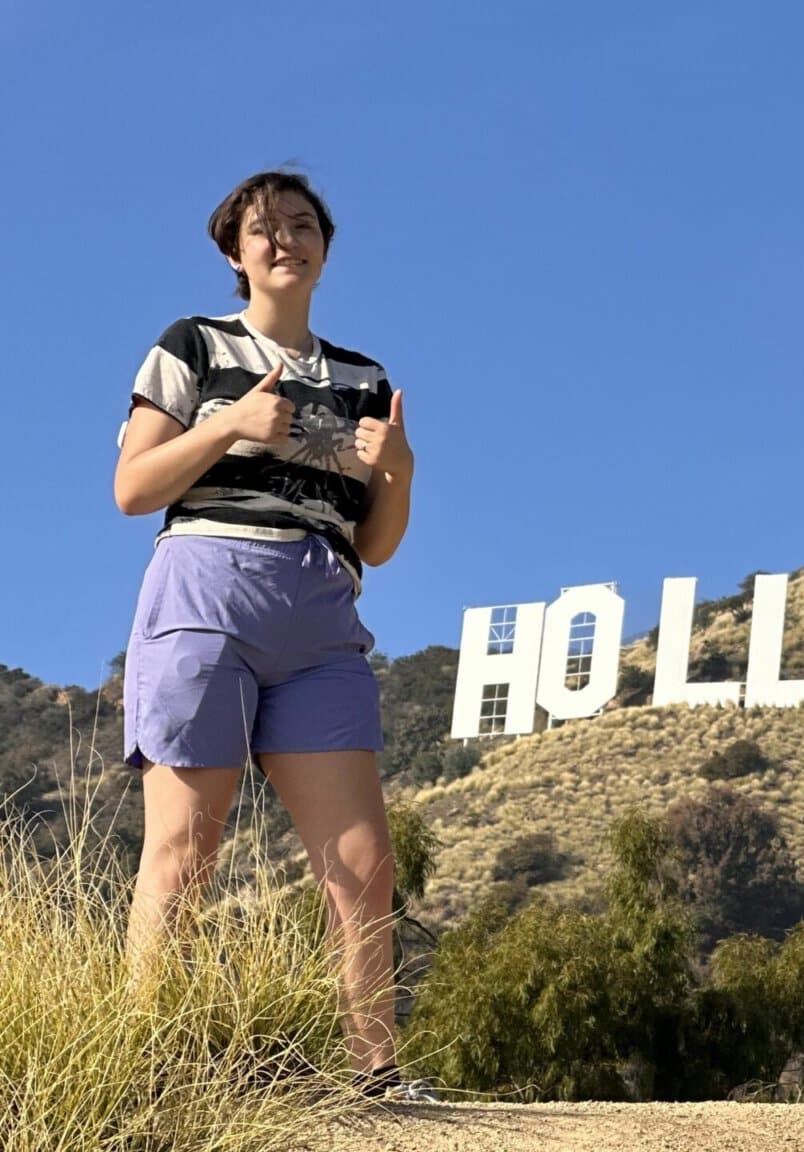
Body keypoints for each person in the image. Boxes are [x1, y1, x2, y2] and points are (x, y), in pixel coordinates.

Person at [113, 170, 431, 1101]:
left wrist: (399, 473)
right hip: (208, 591)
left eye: (302, 225)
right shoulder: (193, 346)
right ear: (234, 252)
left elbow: (374, 540)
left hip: (324, 613)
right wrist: (235, 425)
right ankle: (140, 1062)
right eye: (264, 228)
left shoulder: (364, 378)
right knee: (184, 852)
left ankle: (375, 1070)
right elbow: (134, 489)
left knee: (363, 863)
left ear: (325, 249)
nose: (284, 239)